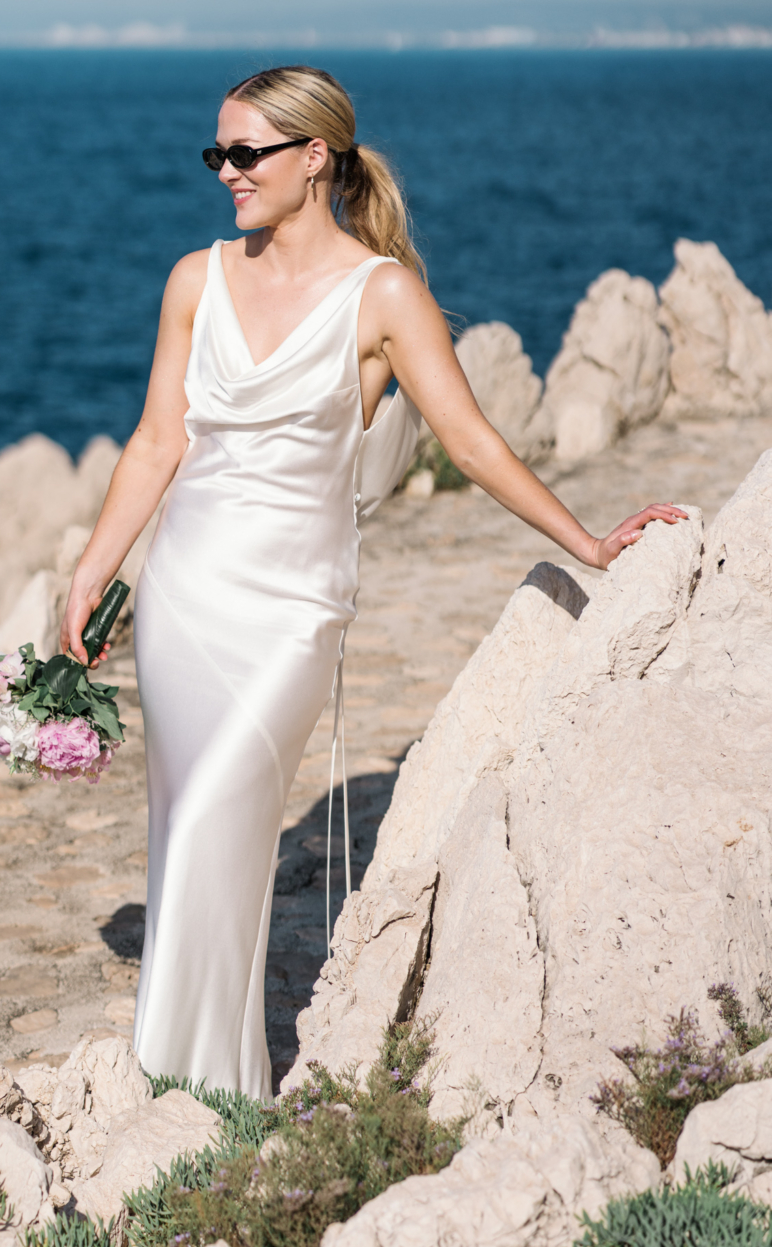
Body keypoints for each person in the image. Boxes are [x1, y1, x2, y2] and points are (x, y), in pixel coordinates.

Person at [59, 64, 686, 1102]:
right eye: (217, 153)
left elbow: (473, 443)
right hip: (184, 599)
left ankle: (195, 1089)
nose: (228, 173)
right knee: (185, 828)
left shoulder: (383, 293)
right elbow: (155, 443)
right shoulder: (194, 279)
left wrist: (589, 544)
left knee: (223, 813)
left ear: (317, 158)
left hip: (293, 610)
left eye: (247, 153)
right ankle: (199, 1087)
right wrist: (90, 576)